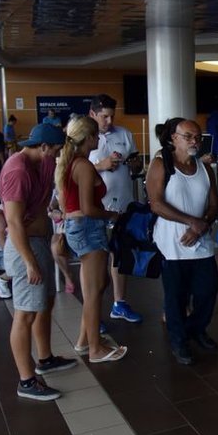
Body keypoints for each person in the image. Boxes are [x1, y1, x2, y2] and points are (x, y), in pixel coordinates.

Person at [0, 123, 77, 401]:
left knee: (44, 303)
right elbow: (13, 223)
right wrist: (29, 262)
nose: (57, 156)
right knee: (25, 312)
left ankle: (45, 358)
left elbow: (44, 203)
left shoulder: (41, 163)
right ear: (43, 147)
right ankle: (26, 381)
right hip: (24, 248)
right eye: (55, 150)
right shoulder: (17, 171)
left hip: (40, 242)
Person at [147, 118, 218, 366]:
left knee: (208, 290)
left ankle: (196, 329)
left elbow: (214, 204)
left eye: (197, 137)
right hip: (173, 245)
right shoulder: (161, 165)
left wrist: (202, 225)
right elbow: (156, 203)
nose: (194, 141)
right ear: (173, 138)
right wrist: (192, 222)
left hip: (200, 243)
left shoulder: (203, 167)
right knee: (175, 297)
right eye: (188, 136)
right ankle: (178, 340)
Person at [57, 116, 127, 363]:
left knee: (96, 286)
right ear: (88, 138)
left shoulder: (71, 163)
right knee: (94, 291)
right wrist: (112, 214)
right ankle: (96, 349)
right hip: (88, 227)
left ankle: (84, 340)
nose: (99, 139)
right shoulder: (83, 166)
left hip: (80, 227)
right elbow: (88, 208)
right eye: (96, 135)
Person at [88, 94, 143, 323]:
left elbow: (136, 167)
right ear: (92, 114)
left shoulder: (125, 134)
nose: (109, 121)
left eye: (112, 116)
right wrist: (101, 165)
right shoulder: (84, 137)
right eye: (104, 116)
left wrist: (134, 165)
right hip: (96, 208)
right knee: (96, 262)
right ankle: (93, 316)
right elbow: (73, 170)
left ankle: (119, 303)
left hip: (122, 205)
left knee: (120, 257)